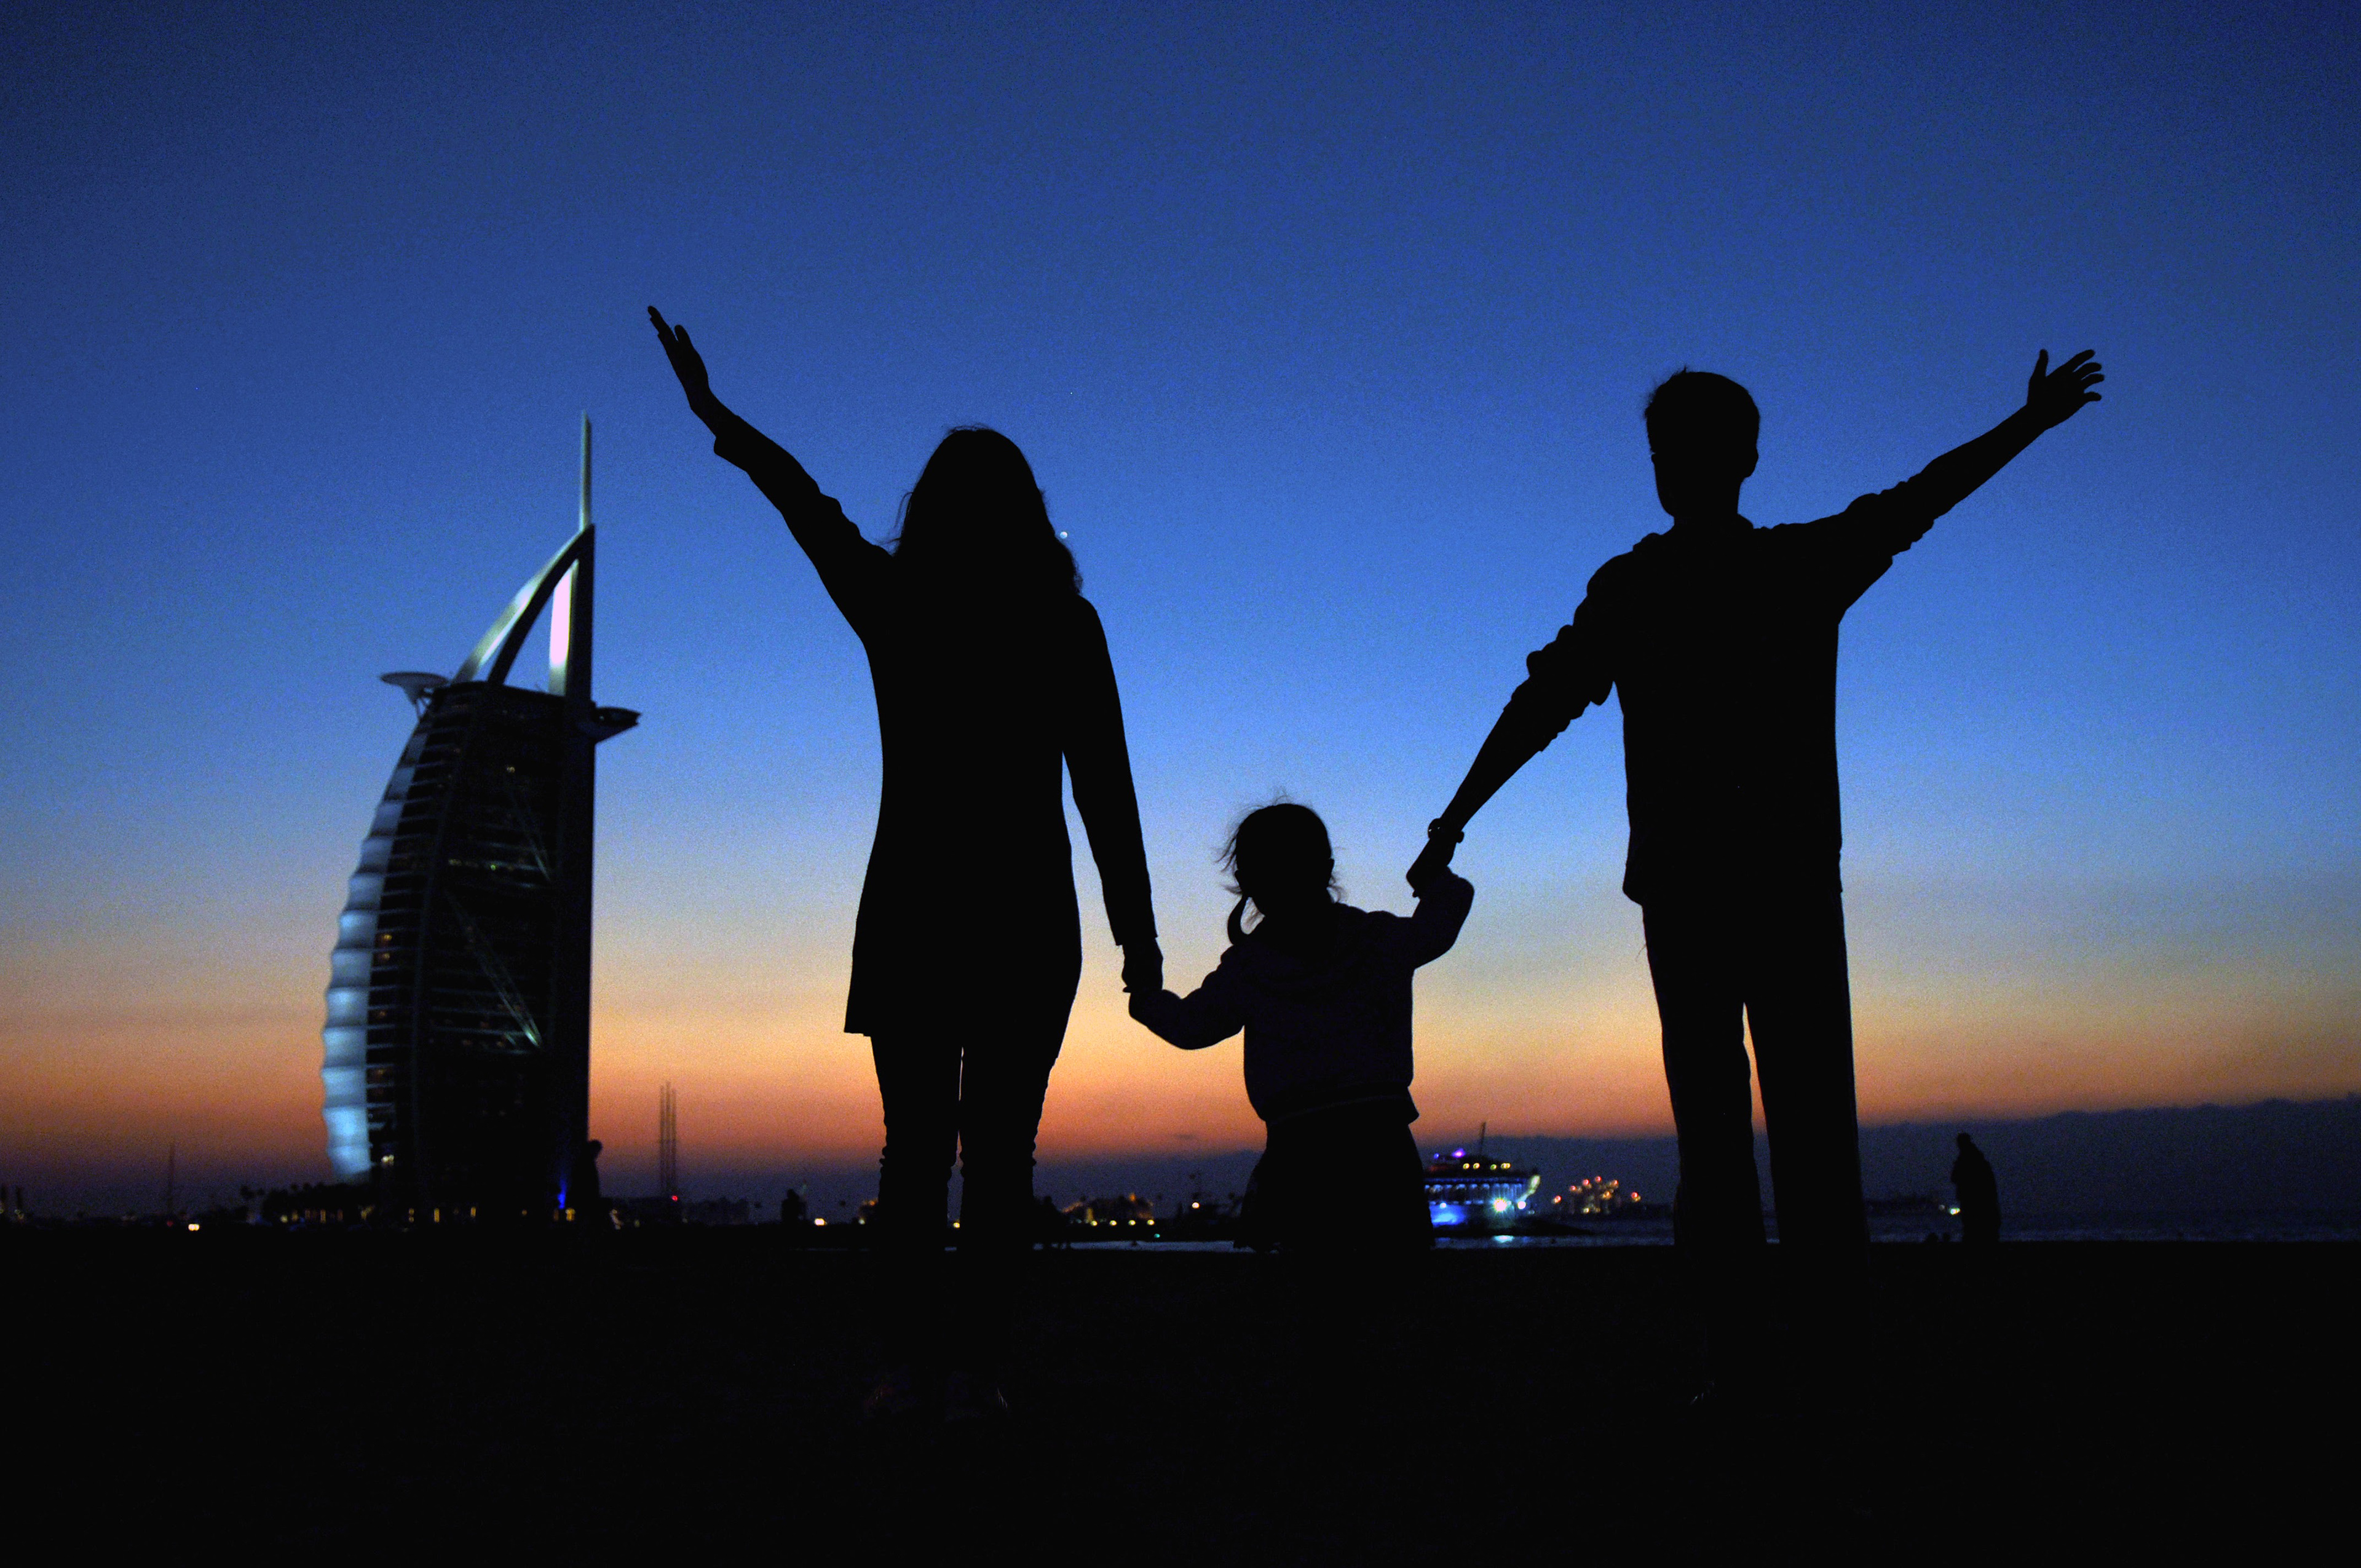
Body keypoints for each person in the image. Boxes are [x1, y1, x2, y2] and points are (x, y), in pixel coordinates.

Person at [1409, 349, 2103, 1401]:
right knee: (1761, 1139)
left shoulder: (1748, 572)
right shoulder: (1673, 583)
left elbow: (1920, 500)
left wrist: (2028, 426)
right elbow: (1543, 700)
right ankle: (1772, 1365)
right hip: (1726, 893)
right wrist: (1455, 816)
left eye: (1686, 449)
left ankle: (1785, 1366)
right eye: (1663, 450)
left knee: (1771, 1136)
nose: (1672, 466)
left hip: (1754, 891)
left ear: (1741, 459)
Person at [650, 309, 1163, 1425]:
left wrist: (716, 414)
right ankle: (971, 1372)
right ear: (1029, 513)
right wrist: (1141, 943)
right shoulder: (1060, 624)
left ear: (928, 510)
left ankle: (907, 1369)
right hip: (1025, 918)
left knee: (917, 1157)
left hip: (918, 915)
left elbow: (805, 504)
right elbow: (1107, 795)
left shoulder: (900, 602)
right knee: (996, 1163)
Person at [1131, 802, 1470, 1252]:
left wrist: (1146, 996)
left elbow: (1192, 1027)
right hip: (1383, 1148)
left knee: (1306, 1286)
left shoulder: (1250, 967)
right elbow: (1442, 918)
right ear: (1326, 869)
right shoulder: (1377, 940)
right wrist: (1435, 877)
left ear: (1247, 882)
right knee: (1397, 1282)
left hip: (1297, 1153)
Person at [1951, 1133, 1999, 1245]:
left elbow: (1955, 1177)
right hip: (1975, 1196)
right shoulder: (1976, 1158)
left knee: (1972, 1222)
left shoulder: (1967, 1158)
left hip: (1972, 1196)